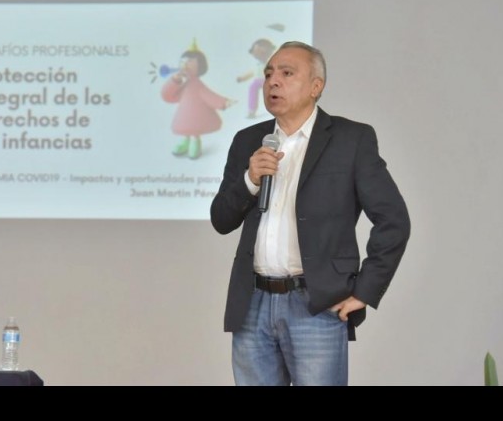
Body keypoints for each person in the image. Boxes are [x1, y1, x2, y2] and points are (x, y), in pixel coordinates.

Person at [210, 41, 410, 386]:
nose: (273, 81)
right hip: (252, 303)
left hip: (315, 303)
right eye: (268, 74)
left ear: (316, 86)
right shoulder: (248, 141)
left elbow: (394, 221)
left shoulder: (351, 140)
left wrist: (365, 291)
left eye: (287, 73)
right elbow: (221, 219)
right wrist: (250, 180)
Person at [161, 39, 235, 160]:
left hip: (197, 116)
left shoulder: (198, 85)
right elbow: (168, 95)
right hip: (184, 115)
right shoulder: (182, 83)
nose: (185, 64)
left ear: (199, 66)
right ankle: (185, 142)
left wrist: (223, 102)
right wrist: (175, 80)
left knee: (194, 130)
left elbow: (209, 95)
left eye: (189, 61)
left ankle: (195, 143)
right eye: (183, 61)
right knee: (185, 129)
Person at [236, 38, 276, 119]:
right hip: (258, 81)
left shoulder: (272, 62)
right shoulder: (257, 64)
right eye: (255, 53)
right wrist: (242, 78)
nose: (257, 55)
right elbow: (251, 73)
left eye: (260, 52)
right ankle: (252, 110)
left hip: (269, 81)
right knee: (252, 88)